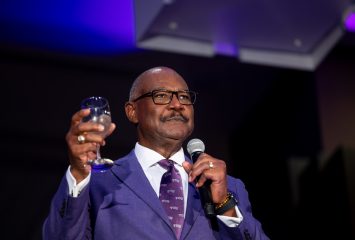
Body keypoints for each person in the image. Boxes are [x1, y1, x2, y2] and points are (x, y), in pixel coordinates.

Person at [43, 66, 269, 240]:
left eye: (184, 97)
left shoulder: (227, 187)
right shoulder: (98, 181)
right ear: (132, 112)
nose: (177, 104)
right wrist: (78, 173)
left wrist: (225, 206)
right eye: (161, 95)